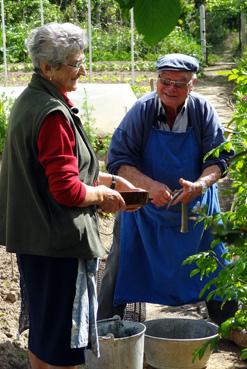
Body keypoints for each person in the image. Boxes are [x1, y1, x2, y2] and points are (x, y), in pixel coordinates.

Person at [0, 22, 140, 369]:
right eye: (75, 64)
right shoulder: (52, 115)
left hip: (37, 242)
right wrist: (102, 195)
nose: (83, 69)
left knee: (45, 336)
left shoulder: (32, 100)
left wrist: (108, 179)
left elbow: (59, 169)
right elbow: (66, 189)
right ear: (47, 67)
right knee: (64, 346)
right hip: (58, 246)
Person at [98, 53, 238, 325]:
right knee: (122, 257)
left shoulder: (202, 111)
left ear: (192, 84)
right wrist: (149, 186)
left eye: (180, 83)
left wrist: (200, 184)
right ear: (157, 81)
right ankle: (105, 325)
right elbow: (118, 160)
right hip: (145, 207)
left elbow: (219, 159)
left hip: (196, 207)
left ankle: (229, 324)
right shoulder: (142, 110)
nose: (171, 88)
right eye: (165, 81)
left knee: (216, 259)